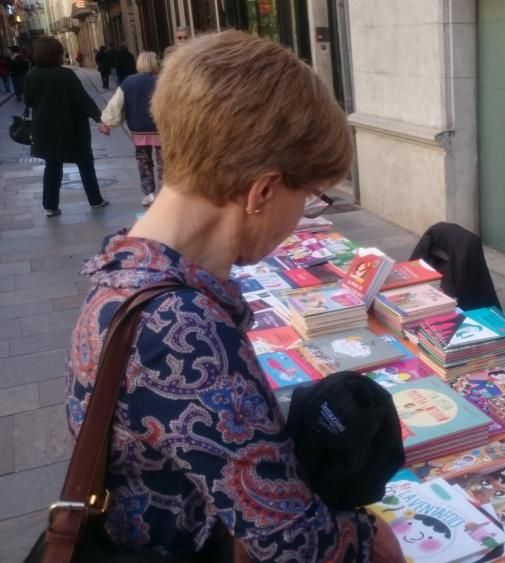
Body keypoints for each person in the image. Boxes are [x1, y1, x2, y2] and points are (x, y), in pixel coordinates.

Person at [67, 31, 403, 561]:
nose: (302, 218)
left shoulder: (124, 271)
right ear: (263, 191)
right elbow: (289, 542)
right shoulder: (183, 334)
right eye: (309, 196)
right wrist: (369, 539)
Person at [23, 37, 109, 217]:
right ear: (57, 54)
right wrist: (99, 119)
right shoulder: (66, 75)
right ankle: (95, 200)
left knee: (52, 166)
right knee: (85, 164)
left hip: (45, 130)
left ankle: (50, 206)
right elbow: (82, 100)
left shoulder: (32, 75)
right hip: (72, 128)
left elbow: (29, 101)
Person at [99, 52, 164, 206]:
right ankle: (165, 192)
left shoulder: (128, 82)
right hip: (161, 129)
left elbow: (116, 105)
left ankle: (148, 193)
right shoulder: (162, 81)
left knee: (144, 162)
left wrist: (107, 123)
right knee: (164, 163)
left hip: (139, 130)